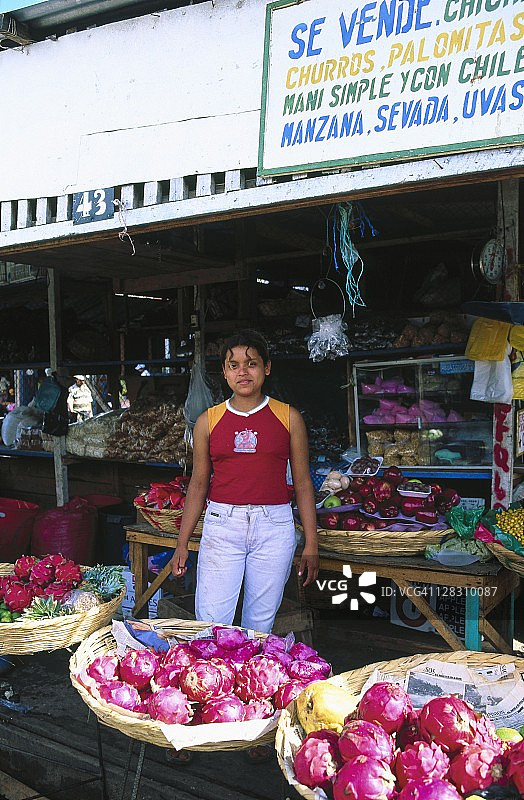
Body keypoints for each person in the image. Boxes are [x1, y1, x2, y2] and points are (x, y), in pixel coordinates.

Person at [169, 330, 319, 763]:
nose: (243, 371)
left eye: (251, 363)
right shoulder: (209, 421)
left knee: (258, 626)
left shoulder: (288, 417)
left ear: (266, 368)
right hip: (223, 524)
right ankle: (194, 719)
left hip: (274, 526)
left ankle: (254, 725)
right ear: (224, 373)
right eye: (234, 364)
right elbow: (198, 484)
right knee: (209, 624)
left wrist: (310, 542)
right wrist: (183, 545)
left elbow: (303, 482)